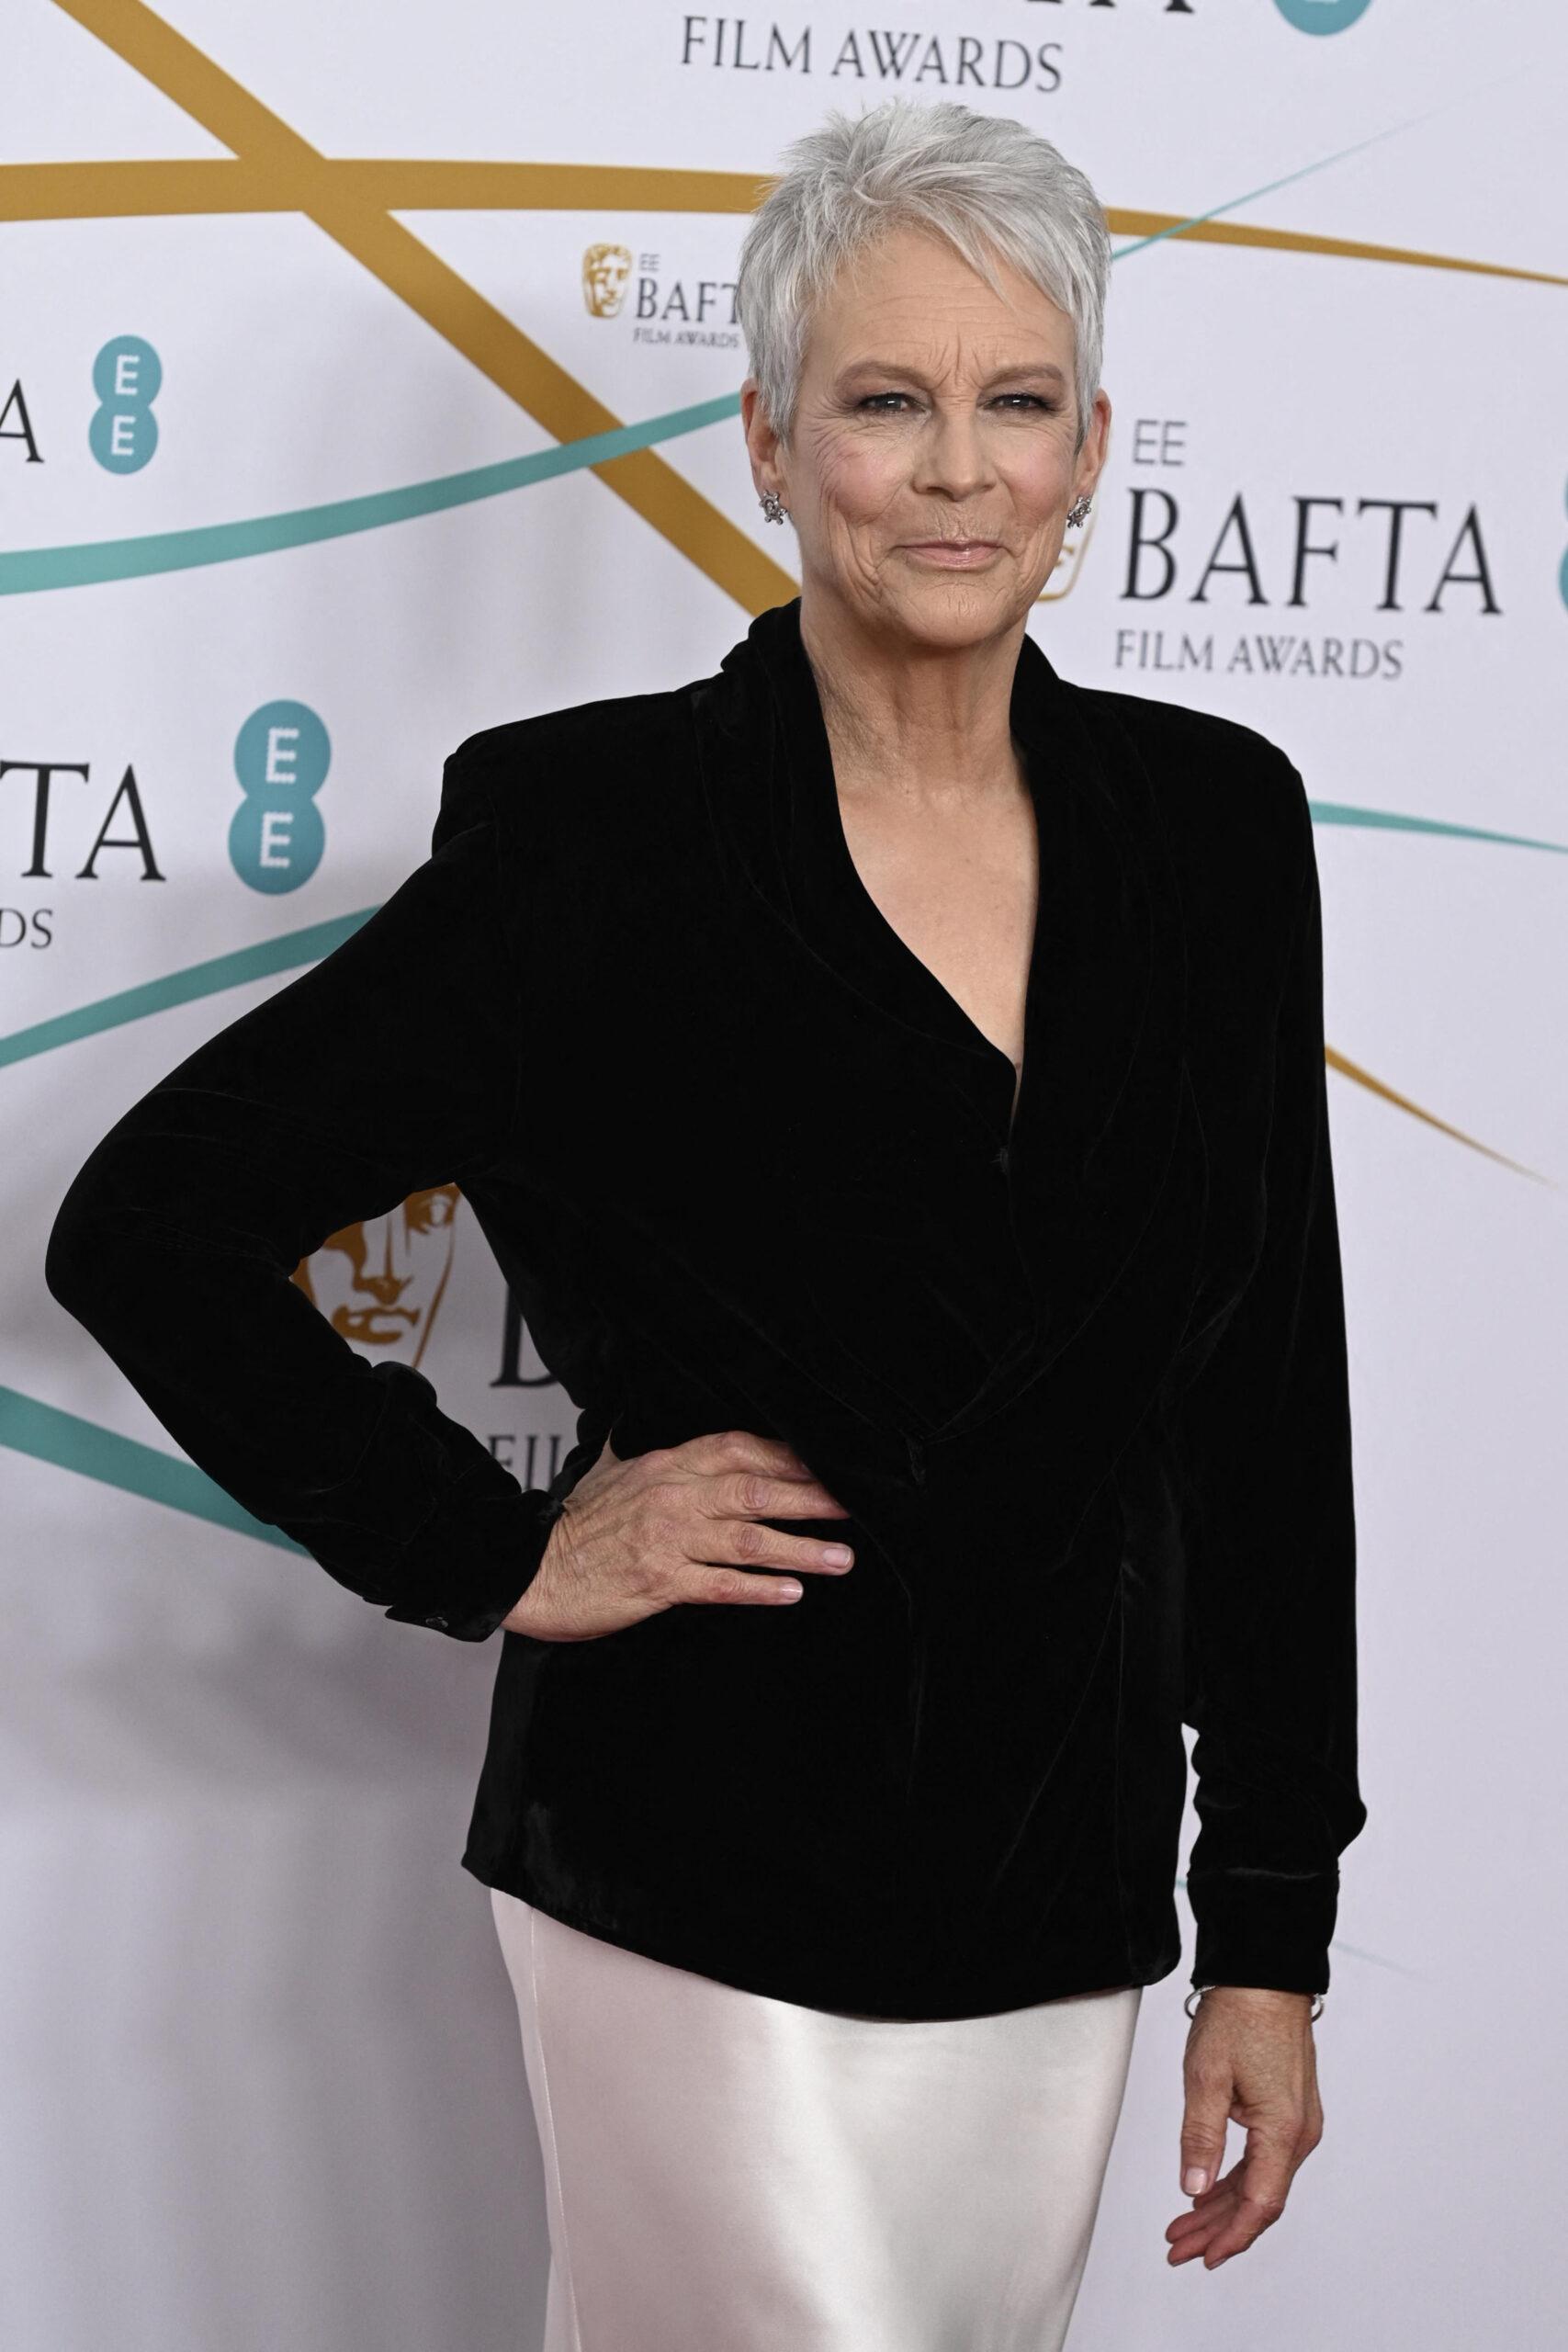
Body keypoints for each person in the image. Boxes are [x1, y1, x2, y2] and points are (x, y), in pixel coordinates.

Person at [44, 96, 1368, 2352]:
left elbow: (1264, 1408)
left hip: (1058, 1904)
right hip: (694, 1867)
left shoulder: (1215, 830)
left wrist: (1262, 1920)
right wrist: (496, 1542)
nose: (954, 469)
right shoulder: (591, 835)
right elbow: (149, 1220)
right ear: (767, 445)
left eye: (1011, 401)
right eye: (882, 402)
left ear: (1088, 444)